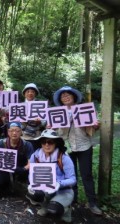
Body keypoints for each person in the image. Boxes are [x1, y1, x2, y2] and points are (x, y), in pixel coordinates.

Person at [52, 86, 102, 215]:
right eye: (63, 96)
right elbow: (55, 131)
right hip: (66, 147)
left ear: (74, 96)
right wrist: (51, 126)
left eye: (68, 94)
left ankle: (92, 203)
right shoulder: (57, 112)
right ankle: (72, 200)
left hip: (83, 145)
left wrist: (95, 125)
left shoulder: (85, 109)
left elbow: (92, 128)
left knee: (87, 175)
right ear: (60, 99)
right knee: (70, 175)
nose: (66, 97)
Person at [26, 129, 76, 223]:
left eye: (50, 142)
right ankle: (44, 206)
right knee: (35, 194)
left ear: (56, 143)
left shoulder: (64, 157)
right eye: (44, 142)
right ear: (40, 143)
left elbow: (72, 179)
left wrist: (58, 183)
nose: (47, 145)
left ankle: (66, 211)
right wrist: (31, 183)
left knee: (55, 210)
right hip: (44, 187)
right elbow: (31, 174)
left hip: (62, 190)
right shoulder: (35, 156)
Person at [0, 122, 33, 188]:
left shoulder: (27, 145)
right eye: (12, 130)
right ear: (8, 132)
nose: (14, 133)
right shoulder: (1, 143)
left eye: (17, 130)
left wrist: (23, 169)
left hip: (21, 169)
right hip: (6, 169)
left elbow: (30, 163)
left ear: (21, 132)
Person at [21, 83, 46, 150]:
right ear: (24, 93)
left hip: (37, 135)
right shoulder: (20, 106)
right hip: (23, 135)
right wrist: (22, 121)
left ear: (35, 93)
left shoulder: (41, 105)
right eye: (28, 91)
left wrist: (40, 122)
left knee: (35, 155)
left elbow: (45, 120)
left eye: (32, 91)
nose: (30, 93)